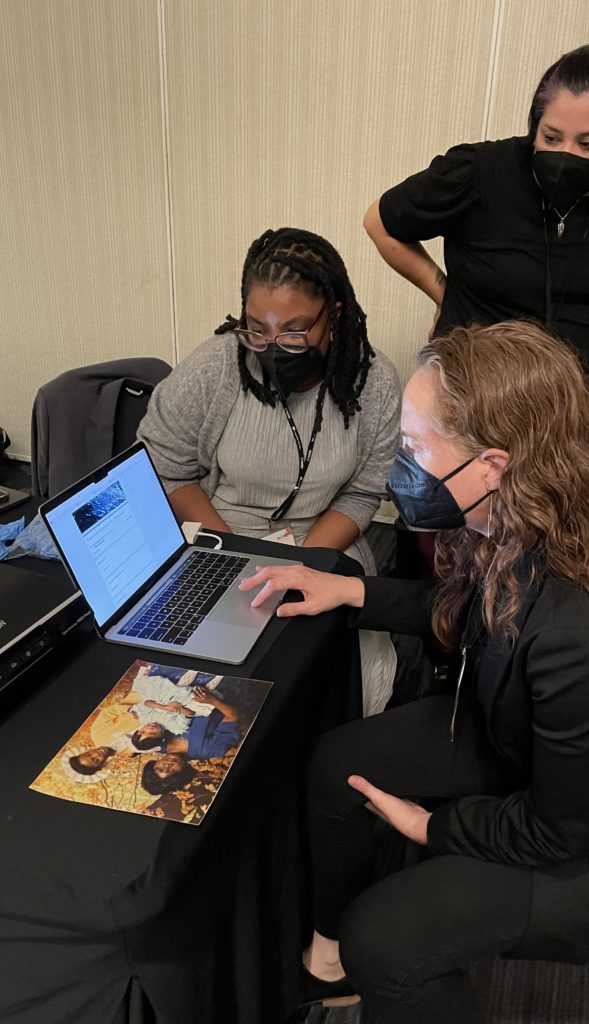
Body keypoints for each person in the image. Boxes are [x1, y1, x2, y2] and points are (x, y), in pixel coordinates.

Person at [240, 321, 589, 1022]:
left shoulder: (581, 635)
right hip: (534, 742)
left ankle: (356, 952)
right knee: (340, 764)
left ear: (492, 464)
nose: (399, 464)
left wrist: (431, 827)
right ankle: (326, 959)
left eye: (416, 448)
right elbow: (475, 608)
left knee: (384, 942)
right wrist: (353, 590)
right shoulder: (524, 515)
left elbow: (562, 831)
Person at [138, 226, 402, 714]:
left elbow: (363, 494)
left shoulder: (375, 382)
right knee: (198, 687)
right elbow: (166, 468)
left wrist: (302, 569)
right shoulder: (216, 367)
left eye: (295, 329)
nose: (273, 345)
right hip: (219, 538)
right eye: (257, 328)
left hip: (324, 540)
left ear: (334, 316)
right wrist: (237, 563)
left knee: (336, 680)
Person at [364, 43, 589, 409]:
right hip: (468, 400)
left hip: (570, 411)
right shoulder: (481, 171)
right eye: (550, 137)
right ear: (535, 124)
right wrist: (444, 292)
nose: (566, 153)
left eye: (588, 143)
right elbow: (380, 222)